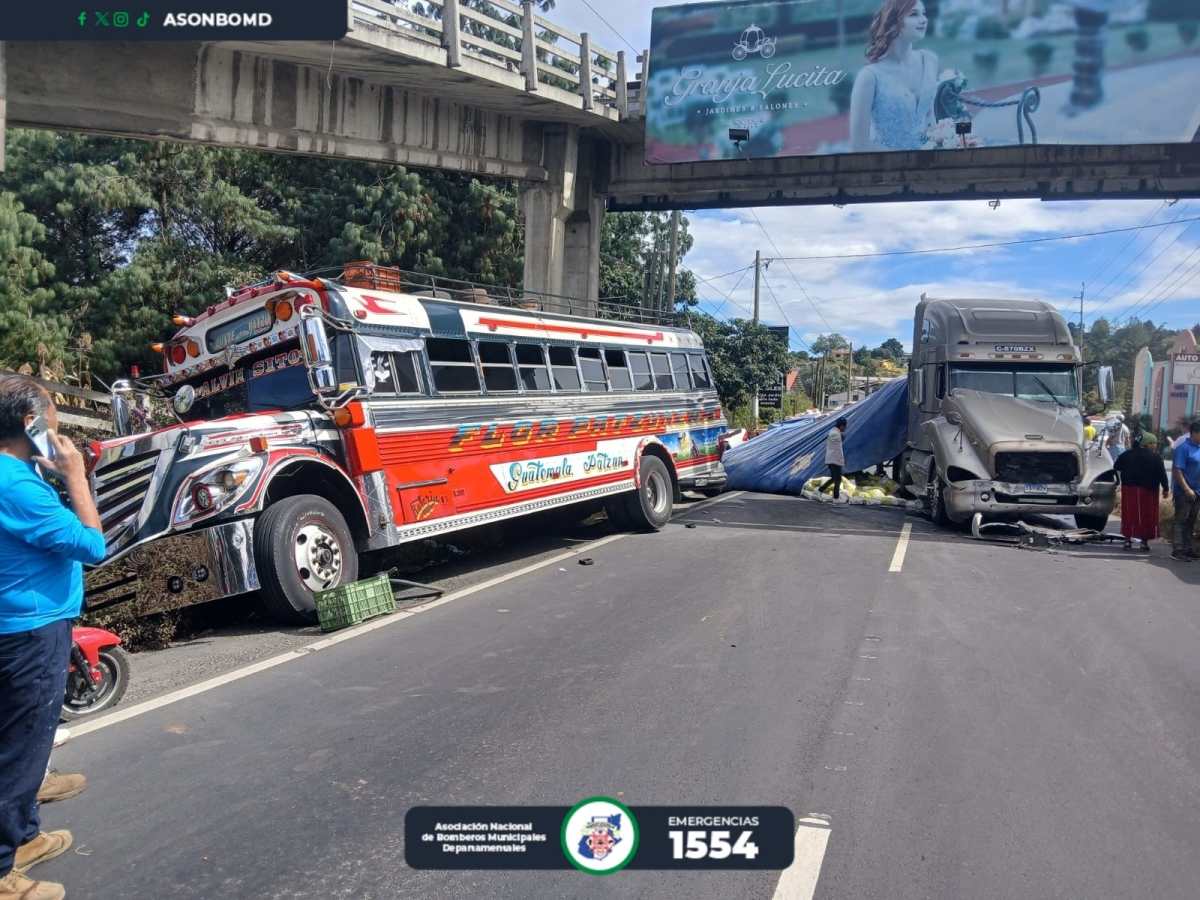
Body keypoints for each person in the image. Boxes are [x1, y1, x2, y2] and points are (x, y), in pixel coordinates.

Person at [0, 375, 106, 900]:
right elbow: (91, 546)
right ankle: (4, 872)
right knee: (20, 753)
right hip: (31, 632)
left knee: (19, 740)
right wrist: (76, 477)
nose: (57, 431)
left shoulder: (14, 474)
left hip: (18, 624)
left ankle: (25, 836)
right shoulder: (17, 486)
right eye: (51, 421)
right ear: (30, 424)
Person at [849, 0, 939, 151]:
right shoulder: (869, 77)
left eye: (924, 13)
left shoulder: (930, 60)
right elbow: (859, 145)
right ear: (893, 22)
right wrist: (908, 161)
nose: (923, 19)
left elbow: (930, 119)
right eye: (914, 14)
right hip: (887, 163)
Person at [1113, 432, 1169, 552]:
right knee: (1146, 515)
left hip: (1129, 490)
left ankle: (1127, 541)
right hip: (1149, 491)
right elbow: (1162, 474)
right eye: (1154, 443)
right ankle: (1144, 543)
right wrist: (1166, 489)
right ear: (1147, 444)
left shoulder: (1126, 454)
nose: (1155, 445)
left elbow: (1116, 466)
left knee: (1129, 514)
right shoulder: (1155, 457)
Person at [1172, 420, 1200, 562]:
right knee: (1181, 520)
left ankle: (1188, 548)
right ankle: (1177, 550)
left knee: (1191, 521)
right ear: (1194, 433)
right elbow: (1177, 470)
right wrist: (1186, 489)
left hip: (1197, 492)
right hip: (1184, 492)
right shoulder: (1183, 448)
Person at [825, 417, 848, 501]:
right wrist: (842, 436)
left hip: (833, 459)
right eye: (845, 426)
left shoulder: (834, 431)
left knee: (834, 478)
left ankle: (819, 490)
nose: (845, 428)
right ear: (841, 426)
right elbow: (839, 440)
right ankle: (836, 498)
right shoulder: (835, 433)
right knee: (838, 479)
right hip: (834, 459)